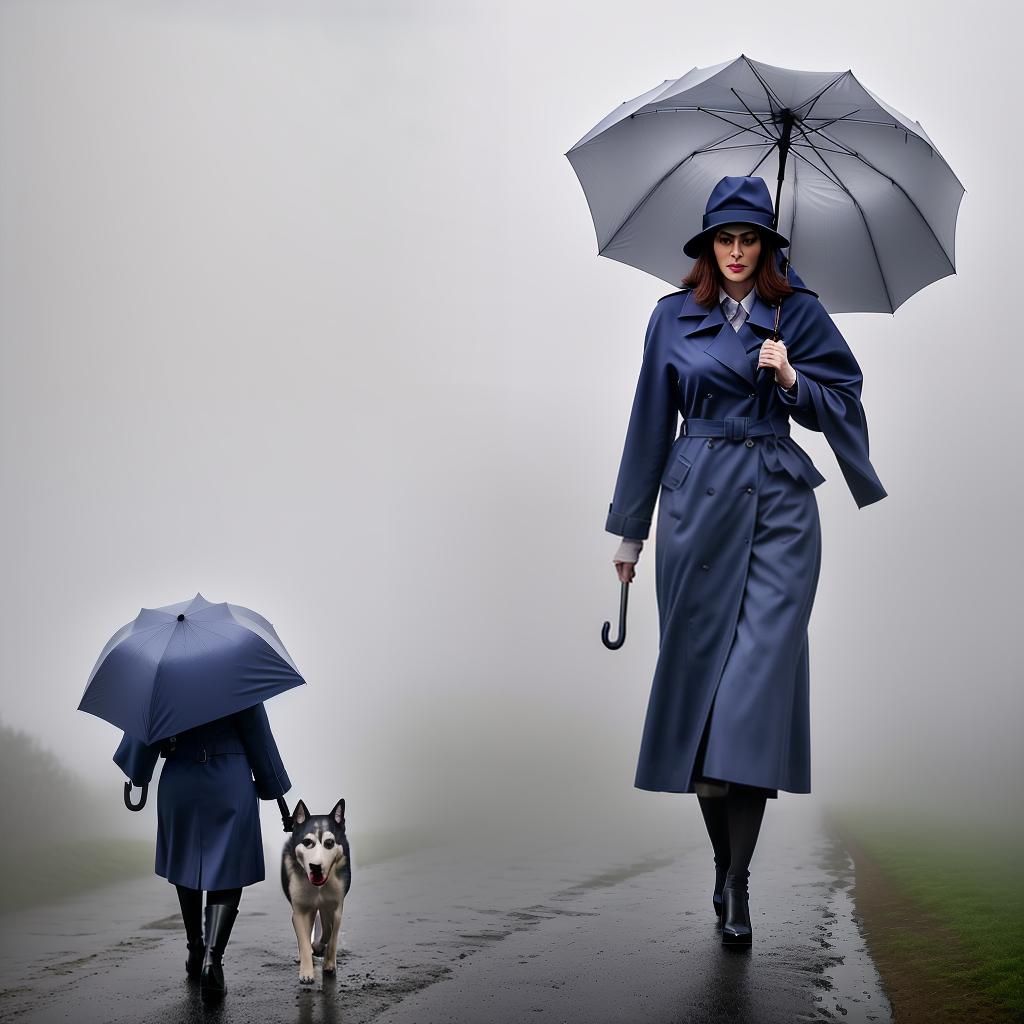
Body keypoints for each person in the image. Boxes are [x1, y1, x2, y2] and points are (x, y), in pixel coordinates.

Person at [605, 175, 886, 947]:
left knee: (751, 701)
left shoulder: (800, 312)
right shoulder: (670, 319)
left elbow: (847, 401)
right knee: (701, 704)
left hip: (778, 509)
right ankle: (726, 866)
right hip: (694, 510)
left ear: (767, 246)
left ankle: (737, 884)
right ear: (707, 247)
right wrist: (630, 535)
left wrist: (793, 378)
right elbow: (648, 424)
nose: (735, 252)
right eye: (723, 240)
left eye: (749, 239)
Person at [113, 701, 291, 998]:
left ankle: (195, 946)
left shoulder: (164, 680)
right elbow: (259, 737)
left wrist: (139, 775)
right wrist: (275, 789)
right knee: (229, 868)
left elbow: (144, 733)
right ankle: (212, 959)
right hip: (229, 780)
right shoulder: (235, 671)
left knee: (186, 863)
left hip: (180, 781)